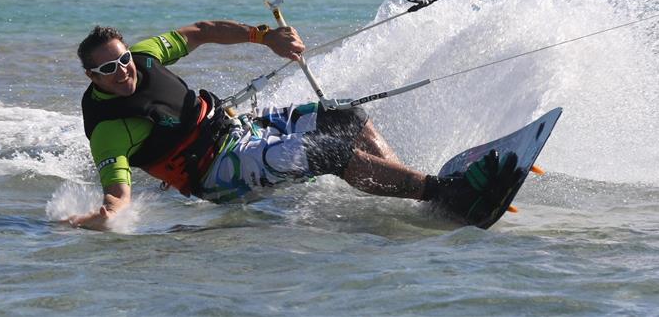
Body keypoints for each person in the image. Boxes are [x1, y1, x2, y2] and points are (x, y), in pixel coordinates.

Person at [65, 20, 514, 230]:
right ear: (91, 77)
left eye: (123, 60)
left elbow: (199, 31)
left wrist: (263, 36)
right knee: (328, 152)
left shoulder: (145, 55)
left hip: (237, 132)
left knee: (347, 117)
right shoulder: (108, 127)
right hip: (215, 174)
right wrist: (103, 217)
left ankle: (419, 194)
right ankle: (446, 194)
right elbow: (117, 193)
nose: (123, 71)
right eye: (108, 69)